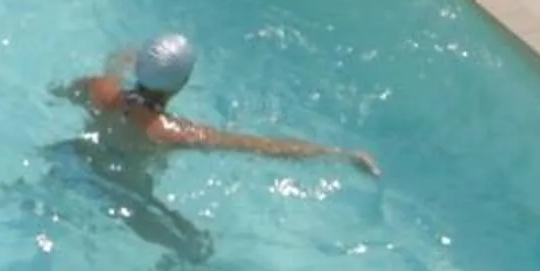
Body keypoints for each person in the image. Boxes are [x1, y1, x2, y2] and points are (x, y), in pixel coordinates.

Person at [60, 33, 379, 176]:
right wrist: (340, 154)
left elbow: (65, 90)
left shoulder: (101, 88)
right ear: (182, 84)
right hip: (121, 187)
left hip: (73, 159)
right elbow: (261, 146)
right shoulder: (171, 132)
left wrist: (123, 60)